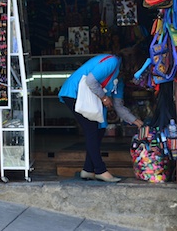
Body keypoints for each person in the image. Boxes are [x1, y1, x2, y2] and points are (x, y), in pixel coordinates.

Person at [58, 47, 144, 183]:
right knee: (91, 129)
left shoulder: (119, 78)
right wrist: (104, 98)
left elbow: (118, 106)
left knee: (99, 130)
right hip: (74, 93)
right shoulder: (112, 61)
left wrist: (137, 122)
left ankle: (88, 169)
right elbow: (91, 80)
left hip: (88, 99)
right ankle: (100, 170)